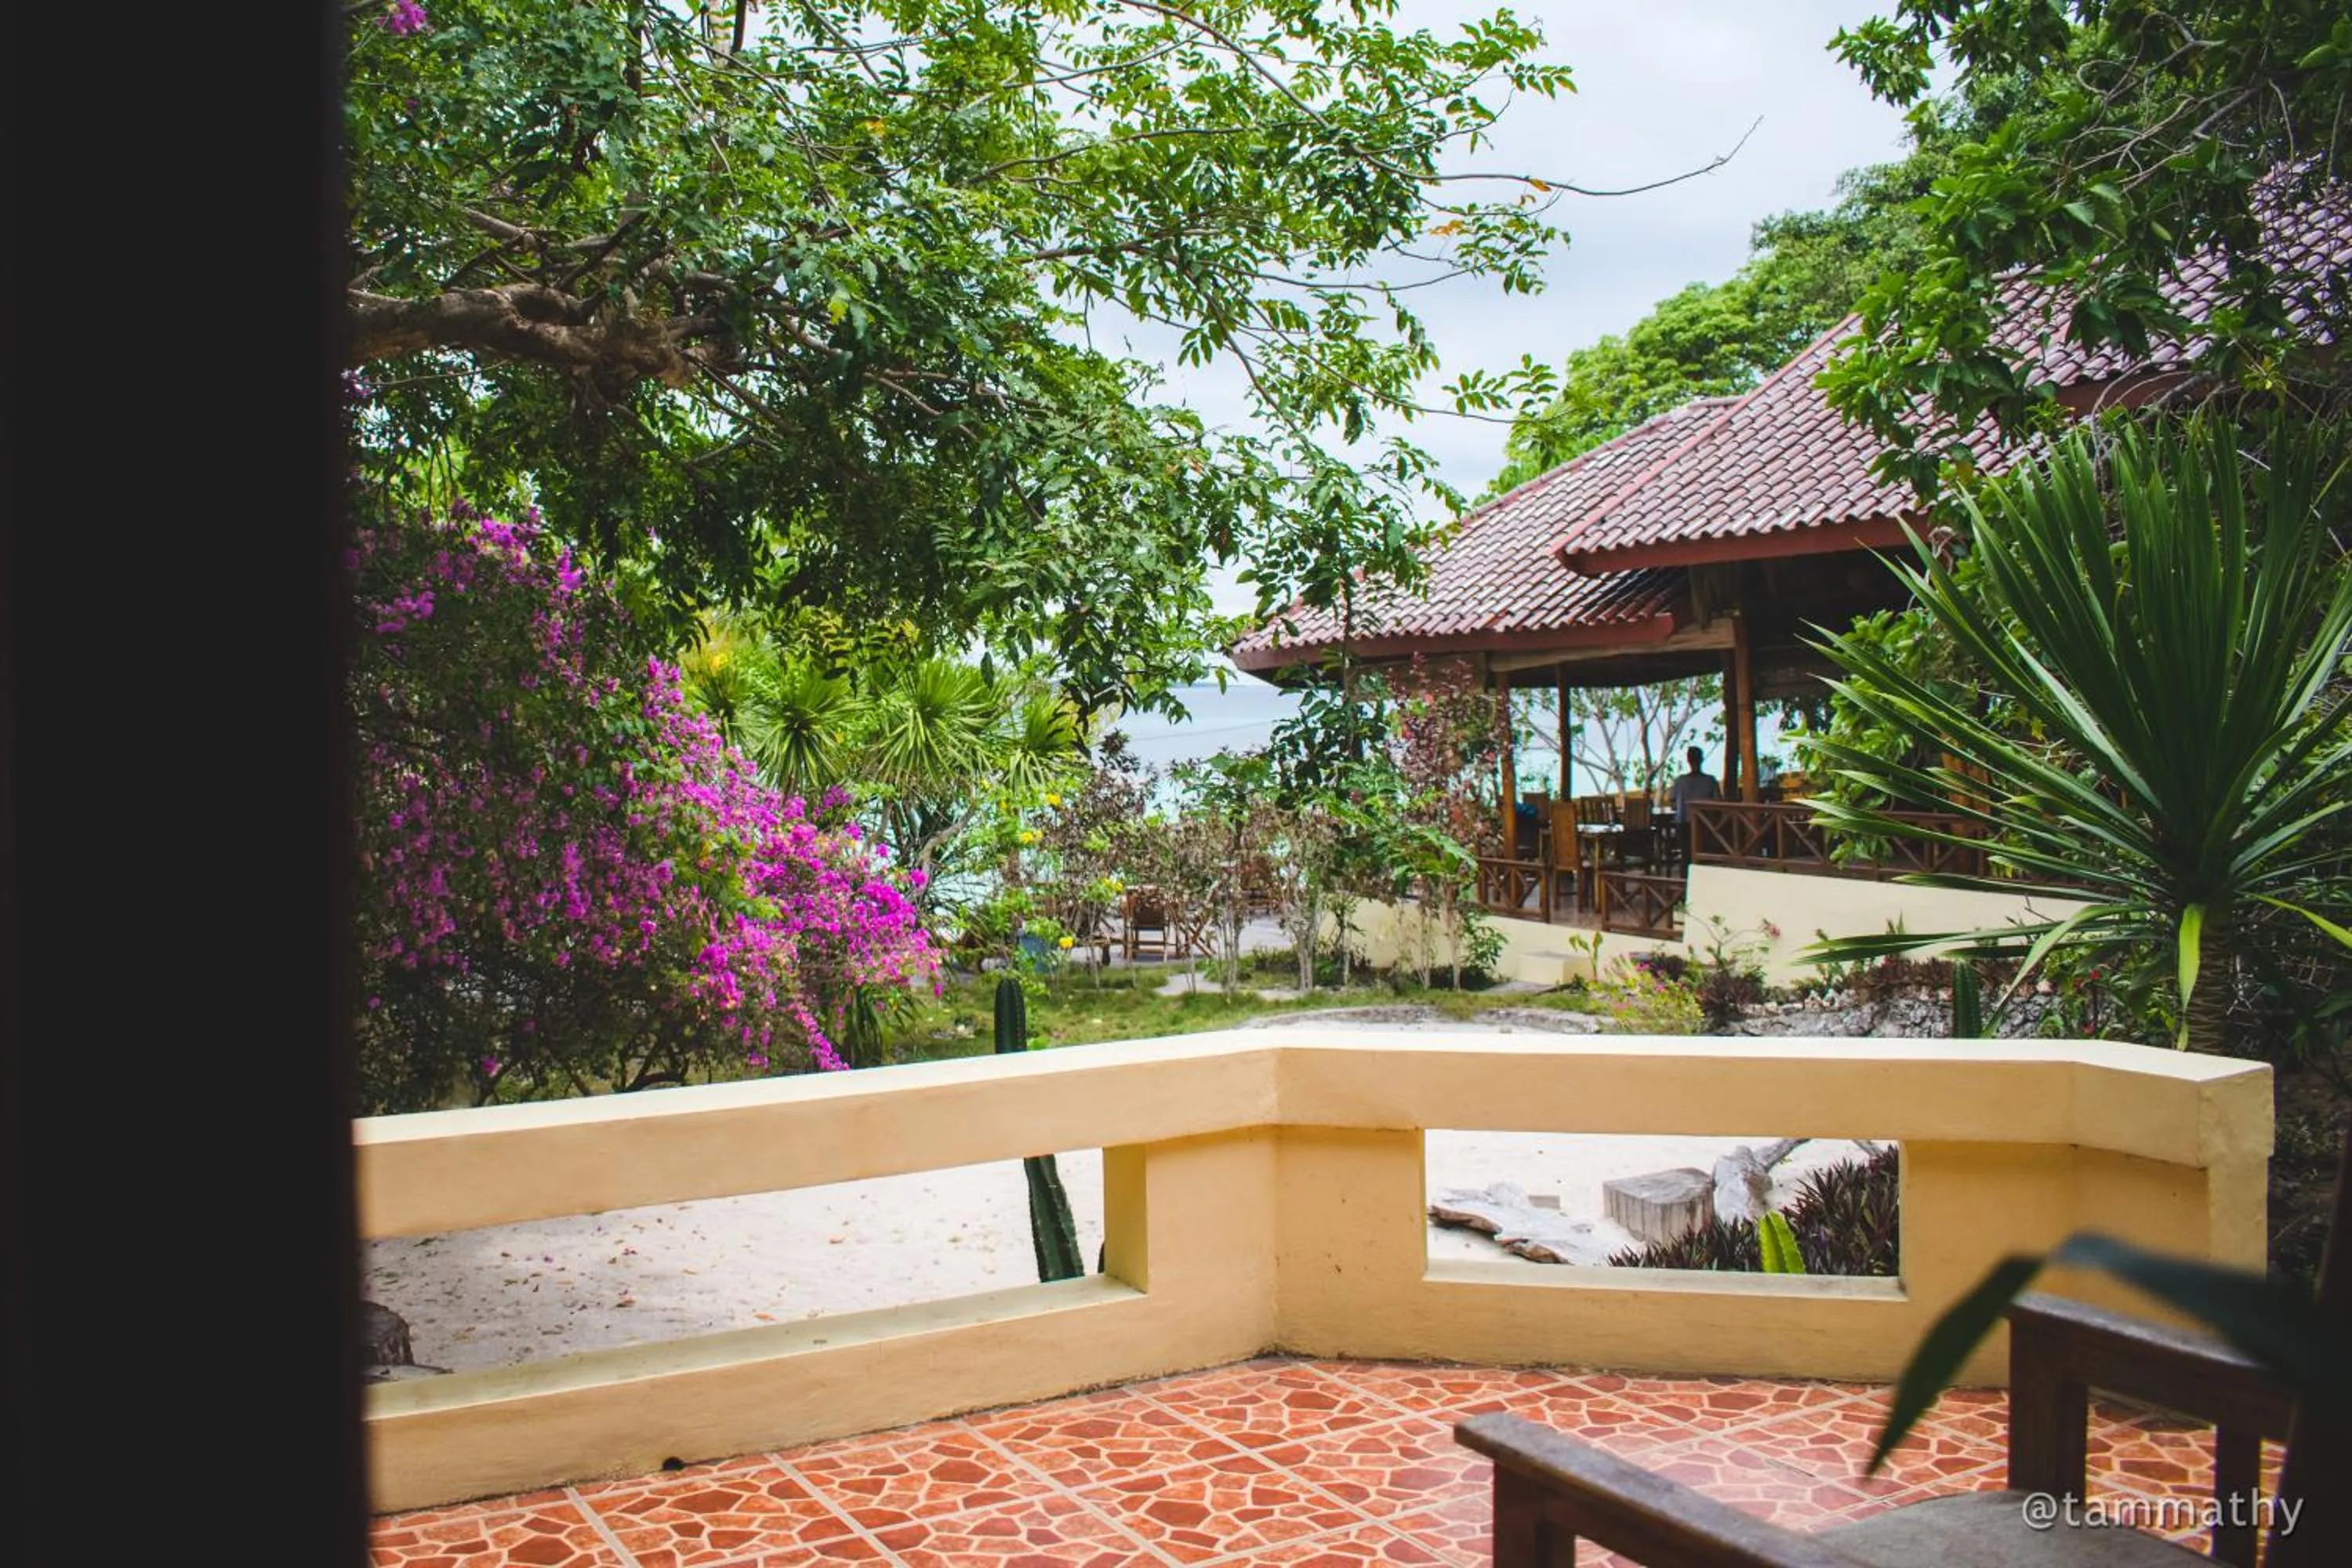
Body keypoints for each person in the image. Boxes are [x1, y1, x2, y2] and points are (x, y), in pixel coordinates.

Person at [1668, 746, 1721, 819]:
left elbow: (1673, 804)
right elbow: (1718, 804)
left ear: (1688, 760)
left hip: (1684, 823)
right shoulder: (1711, 781)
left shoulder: (1680, 781)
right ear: (1702, 759)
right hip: (1706, 824)